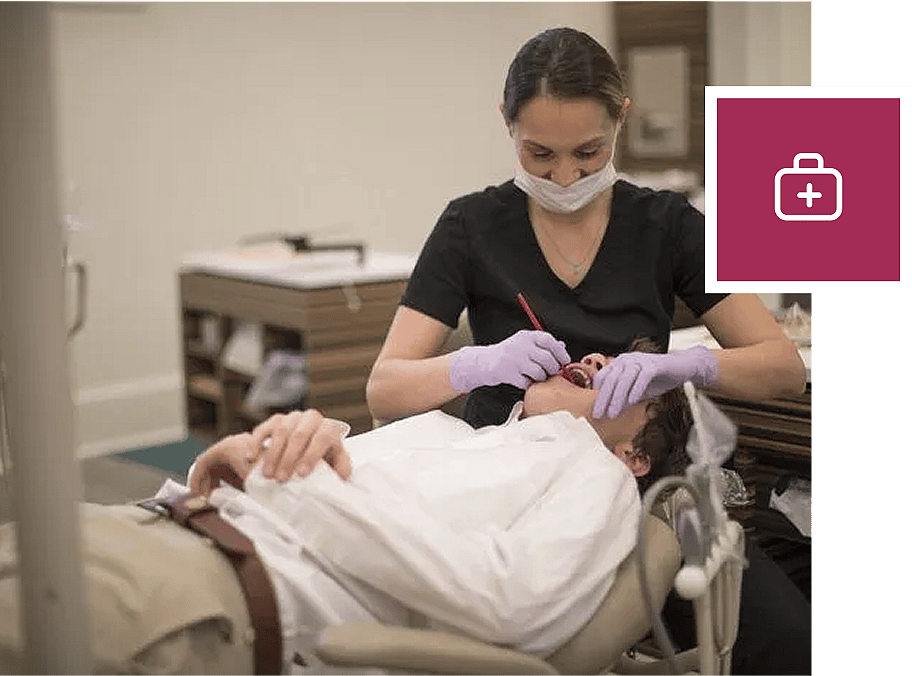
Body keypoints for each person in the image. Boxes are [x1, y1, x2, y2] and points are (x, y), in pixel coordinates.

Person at [363, 27, 810, 676]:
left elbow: (784, 368)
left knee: (786, 639)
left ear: (620, 119)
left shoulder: (667, 226)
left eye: (588, 152)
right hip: (506, 486)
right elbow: (385, 389)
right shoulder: (469, 228)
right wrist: (475, 364)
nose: (565, 175)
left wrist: (688, 364)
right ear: (507, 122)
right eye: (539, 153)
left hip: (641, 503)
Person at [0, 346, 690, 676]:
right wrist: (247, 455)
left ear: (637, 454)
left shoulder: (595, 476)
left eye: (638, 376)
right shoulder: (448, 430)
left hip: (203, 599)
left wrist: (293, 485)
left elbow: (508, 600)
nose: (599, 358)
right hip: (148, 517)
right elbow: (306, 484)